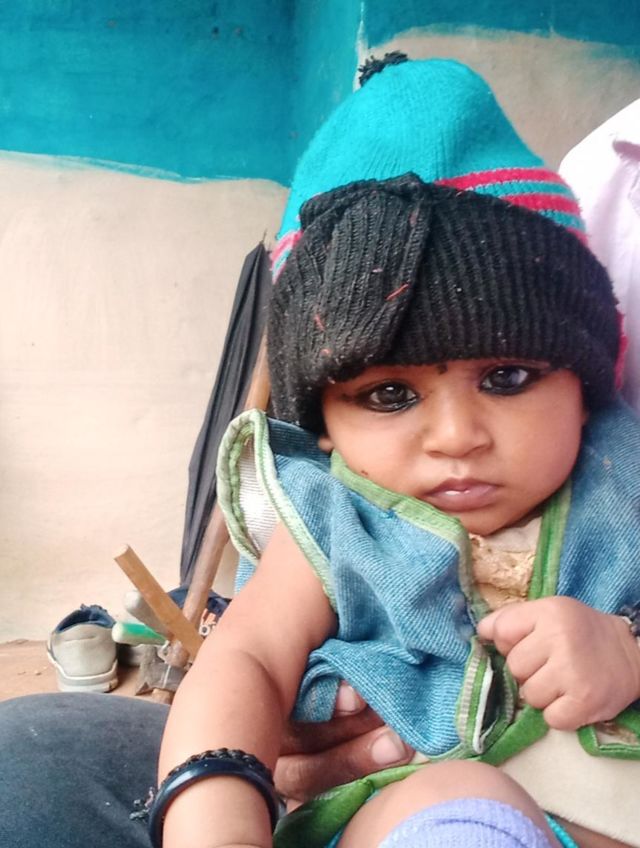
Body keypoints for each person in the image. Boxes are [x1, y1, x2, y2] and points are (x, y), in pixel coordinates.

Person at [155, 57, 640, 848]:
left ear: (585, 385)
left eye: (508, 377)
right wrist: (215, 812)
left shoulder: (625, 485)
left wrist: (629, 647)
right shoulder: (335, 523)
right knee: (461, 799)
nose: (457, 437)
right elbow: (247, 659)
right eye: (388, 395)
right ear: (323, 423)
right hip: (417, 818)